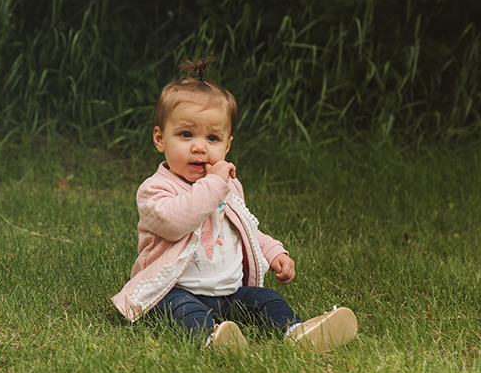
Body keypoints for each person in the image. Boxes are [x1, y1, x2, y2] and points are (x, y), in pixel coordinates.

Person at [112, 58, 357, 352]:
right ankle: (214, 339)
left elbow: (245, 228)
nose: (199, 146)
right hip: (174, 291)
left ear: (227, 146)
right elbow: (177, 222)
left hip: (229, 293)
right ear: (159, 138)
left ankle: (296, 331)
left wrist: (274, 252)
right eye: (186, 134)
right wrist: (215, 184)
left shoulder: (227, 186)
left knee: (267, 300)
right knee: (183, 312)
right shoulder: (155, 189)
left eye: (212, 137)